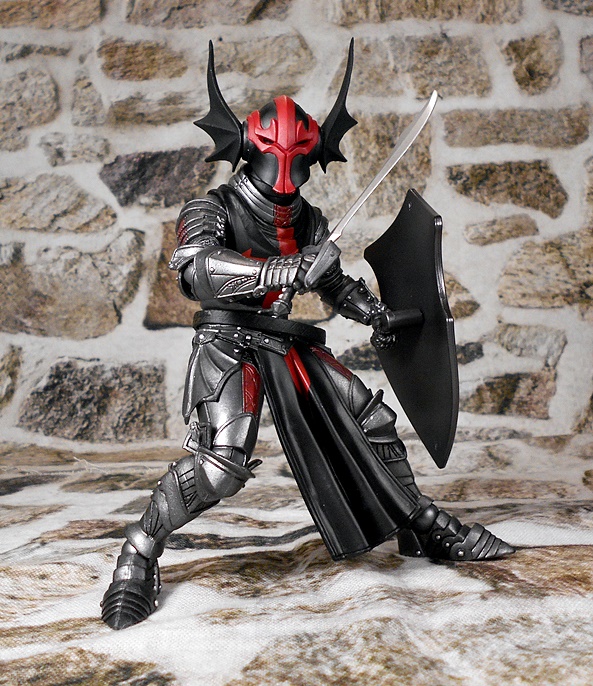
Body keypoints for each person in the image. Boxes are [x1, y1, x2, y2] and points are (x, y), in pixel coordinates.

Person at [101, 41, 514, 631]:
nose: (286, 175)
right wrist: (281, 270)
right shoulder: (211, 207)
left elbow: (334, 284)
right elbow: (197, 271)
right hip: (230, 342)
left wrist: (372, 312)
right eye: (280, 159)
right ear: (250, 150)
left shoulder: (309, 219)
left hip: (287, 343)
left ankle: (420, 526)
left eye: (298, 162)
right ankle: (139, 551)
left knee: (373, 421)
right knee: (220, 466)